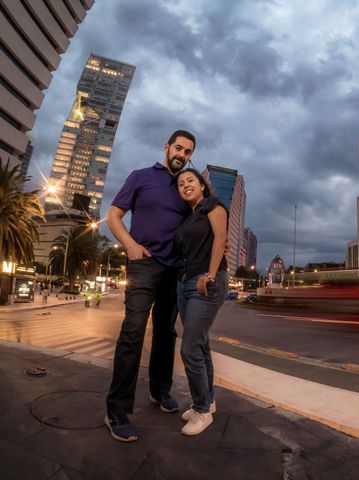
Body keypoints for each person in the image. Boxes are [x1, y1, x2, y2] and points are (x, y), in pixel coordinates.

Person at [104, 130, 196, 442]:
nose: (182, 155)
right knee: (132, 332)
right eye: (179, 148)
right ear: (167, 146)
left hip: (175, 271)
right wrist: (130, 245)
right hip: (143, 264)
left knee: (166, 334)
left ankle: (160, 390)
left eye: (188, 152)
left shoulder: (186, 187)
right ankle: (116, 410)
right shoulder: (141, 176)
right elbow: (114, 215)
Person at [173, 168, 228, 435]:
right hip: (185, 283)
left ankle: (202, 410)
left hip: (205, 282)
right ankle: (209, 401)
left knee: (189, 349)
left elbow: (220, 239)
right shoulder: (189, 217)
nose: (185, 185)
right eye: (181, 183)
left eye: (190, 180)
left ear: (202, 185)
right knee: (201, 346)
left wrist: (210, 274)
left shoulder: (213, 205)